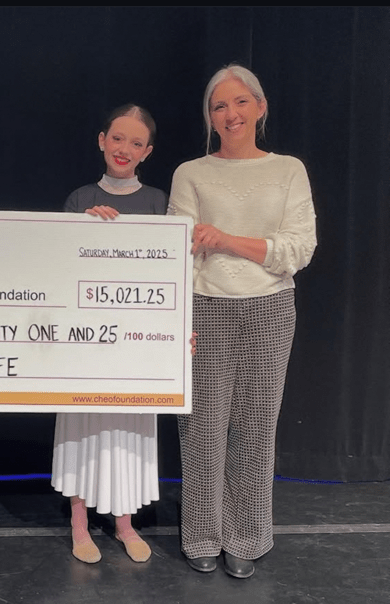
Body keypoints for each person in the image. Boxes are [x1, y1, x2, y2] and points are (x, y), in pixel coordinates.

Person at [168, 64, 317, 579]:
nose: (230, 114)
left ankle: (247, 536)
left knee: (255, 426)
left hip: (270, 307)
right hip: (204, 305)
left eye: (239, 102)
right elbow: (178, 250)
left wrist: (227, 240)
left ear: (260, 107)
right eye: (219, 106)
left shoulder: (289, 170)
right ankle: (201, 534)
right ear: (209, 117)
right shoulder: (190, 173)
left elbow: (299, 248)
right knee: (202, 426)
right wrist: (177, 316)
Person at [51, 105, 167, 564]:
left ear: (147, 152)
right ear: (102, 140)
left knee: (127, 429)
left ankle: (124, 523)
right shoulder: (80, 199)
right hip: (85, 341)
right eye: (118, 138)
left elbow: (168, 275)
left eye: (136, 143)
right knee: (84, 426)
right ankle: (79, 524)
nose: (124, 149)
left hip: (136, 342)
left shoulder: (159, 202)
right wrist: (85, 229)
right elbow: (58, 268)